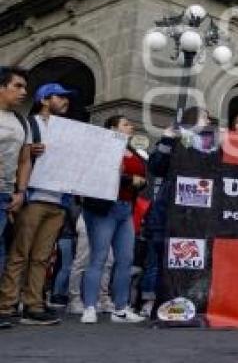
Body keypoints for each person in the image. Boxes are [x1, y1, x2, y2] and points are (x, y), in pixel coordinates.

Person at [0, 82, 74, 327]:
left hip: (58, 200)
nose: (65, 101)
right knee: (20, 253)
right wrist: (32, 154)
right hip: (33, 198)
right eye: (60, 97)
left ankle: (34, 305)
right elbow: (21, 158)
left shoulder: (69, 130)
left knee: (42, 257)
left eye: (66, 98)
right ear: (44, 99)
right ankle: (8, 304)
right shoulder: (29, 124)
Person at [139, 107, 218, 317]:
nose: (208, 120)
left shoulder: (211, 143)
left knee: (191, 258)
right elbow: (156, 167)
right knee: (159, 259)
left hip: (197, 215)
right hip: (168, 210)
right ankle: (151, 302)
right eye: (204, 117)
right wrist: (166, 140)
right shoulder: (174, 138)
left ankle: (188, 302)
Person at [79, 115, 147, 324]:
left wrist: (138, 182)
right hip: (104, 209)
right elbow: (98, 173)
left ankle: (120, 308)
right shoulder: (103, 148)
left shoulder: (133, 151)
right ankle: (90, 307)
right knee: (98, 258)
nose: (131, 126)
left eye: (130, 123)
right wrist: (129, 180)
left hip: (125, 209)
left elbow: (142, 178)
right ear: (112, 128)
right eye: (126, 124)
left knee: (125, 259)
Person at [0, 67, 30, 280]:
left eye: (25, 87)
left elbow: (25, 159)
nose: (23, 92)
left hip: (5, 195)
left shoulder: (22, 121)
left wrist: (20, 192)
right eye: (17, 86)